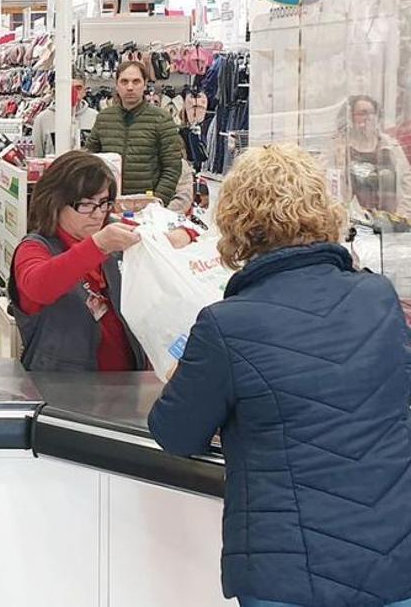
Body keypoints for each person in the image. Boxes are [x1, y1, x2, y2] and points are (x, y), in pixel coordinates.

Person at [148, 144, 411, 607]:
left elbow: (175, 433)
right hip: (393, 560)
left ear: (236, 225)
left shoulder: (226, 325)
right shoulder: (378, 297)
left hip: (288, 573)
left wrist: (183, 377)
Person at [8, 151, 192, 372]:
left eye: (104, 203)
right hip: (62, 393)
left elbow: (186, 230)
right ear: (55, 202)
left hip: (128, 386)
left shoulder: (111, 230)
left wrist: (181, 235)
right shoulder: (35, 248)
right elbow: (39, 286)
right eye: (85, 205)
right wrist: (98, 246)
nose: (97, 214)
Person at [84, 61, 185, 204]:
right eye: (124, 82)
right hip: (109, 202)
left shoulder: (161, 119)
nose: (130, 87)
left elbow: (172, 166)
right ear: (117, 85)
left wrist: (158, 200)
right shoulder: (104, 117)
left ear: (145, 84)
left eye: (136, 81)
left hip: (147, 202)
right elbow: (90, 158)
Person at [337, 94, 411, 218]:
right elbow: (330, 186)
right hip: (354, 224)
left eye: (372, 113)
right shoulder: (338, 148)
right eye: (362, 113)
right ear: (350, 117)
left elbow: (407, 182)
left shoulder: (391, 146)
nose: (368, 118)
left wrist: (402, 216)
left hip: (390, 224)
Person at [31, 78, 98, 157]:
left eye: (78, 88)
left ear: (85, 91)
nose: (73, 93)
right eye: (68, 88)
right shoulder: (42, 119)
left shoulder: (95, 117)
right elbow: (37, 156)